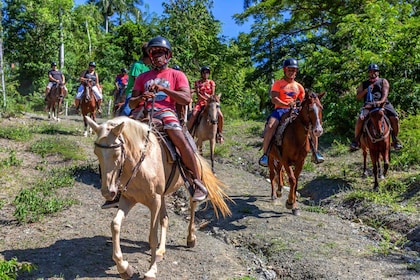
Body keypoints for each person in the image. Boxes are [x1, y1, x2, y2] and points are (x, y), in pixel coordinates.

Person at [101, 36, 208, 209]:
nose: (157, 56)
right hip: (142, 113)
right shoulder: (143, 77)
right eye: (154, 53)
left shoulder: (177, 75)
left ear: (167, 56)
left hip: (166, 112)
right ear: (150, 57)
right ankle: (117, 189)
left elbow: (186, 98)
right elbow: (132, 102)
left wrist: (164, 89)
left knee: (178, 136)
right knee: (115, 140)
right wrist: (142, 97)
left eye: (161, 53)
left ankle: (197, 182)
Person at [350, 63, 403, 151]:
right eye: (370, 72)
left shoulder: (383, 81)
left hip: (383, 104)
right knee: (360, 120)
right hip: (369, 105)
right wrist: (366, 91)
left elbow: (385, 94)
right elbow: (358, 97)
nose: (372, 73)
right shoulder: (364, 84)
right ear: (368, 73)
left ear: (378, 72)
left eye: (374, 71)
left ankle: (394, 139)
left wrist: (380, 102)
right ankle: (356, 141)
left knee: (395, 118)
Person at [188, 66, 224, 143]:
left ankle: (220, 134)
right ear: (201, 74)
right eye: (204, 72)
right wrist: (205, 99)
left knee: (220, 115)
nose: (205, 74)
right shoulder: (197, 82)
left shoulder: (211, 82)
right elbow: (198, 94)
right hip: (201, 102)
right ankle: (189, 132)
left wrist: (210, 100)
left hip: (211, 103)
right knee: (194, 114)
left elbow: (213, 94)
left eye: (207, 72)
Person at [119, 43, 151, 117]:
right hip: (133, 92)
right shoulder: (137, 65)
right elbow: (137, 81)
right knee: (127, 110)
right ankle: (118, 124)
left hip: (145, 92)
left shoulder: (148, 68)